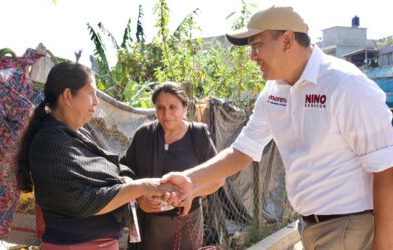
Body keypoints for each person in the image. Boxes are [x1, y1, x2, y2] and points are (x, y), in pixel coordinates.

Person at [162, 6, 393, 250]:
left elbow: (386, 168)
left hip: (351, 227)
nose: (253, 56)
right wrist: (189, 179)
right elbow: (242, 151)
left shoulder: (345, 84)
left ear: (287, 40)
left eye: (257, 44)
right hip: (308, 227)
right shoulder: (274, 92)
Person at [16, 62, 178, 250]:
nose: (96, 101)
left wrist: (131, 186)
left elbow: (111, 164)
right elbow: (82, 200)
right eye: (91, 92)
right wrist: (141, 187)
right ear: (68, 96)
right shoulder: (50, 144)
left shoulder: (78, 133)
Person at [120, 82, 224, 250]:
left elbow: (218, 178)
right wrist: (139, 197)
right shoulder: (144, 136)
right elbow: (125, 172)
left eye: (172, 107)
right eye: (160, 108)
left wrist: (191, 193)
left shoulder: (198, 135)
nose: (166, 114)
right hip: (148, 225)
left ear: (185, 107)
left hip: (186, 222)